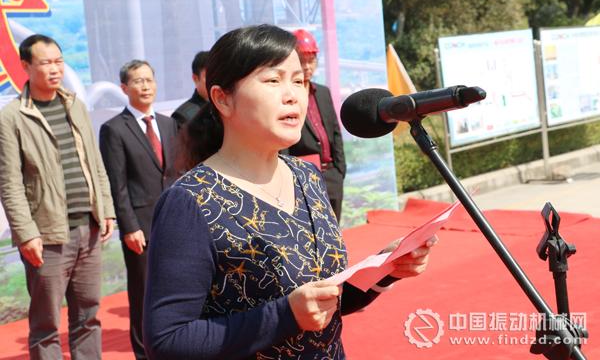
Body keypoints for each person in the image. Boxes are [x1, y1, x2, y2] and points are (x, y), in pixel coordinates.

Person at [143, 24, 436, 359]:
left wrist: (384, 268)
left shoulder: (306, 177)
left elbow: (324, 300)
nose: (293, 94)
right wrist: (285, 315)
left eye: (298, 81)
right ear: (223, 99)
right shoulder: (191, 201)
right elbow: (167, 341)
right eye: (273, 80)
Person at [0, 34, 115, 359]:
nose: (55, 69)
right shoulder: (12, 117)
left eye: (59, 62)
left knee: (88, 316)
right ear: (25, 67)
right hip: (46, 236)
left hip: (88, 229)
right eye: (46, 63)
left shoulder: (74, 105)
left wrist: (106, 208)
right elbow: (9, 182)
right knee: (46, 324)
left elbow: (94, 162)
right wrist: (26, 234)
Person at [99, 60, 178, 360]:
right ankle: (144, 354)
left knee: (177, 288)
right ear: (124, 88)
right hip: (140, 228)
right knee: (144, 295)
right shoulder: (114, 129)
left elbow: (176, 173)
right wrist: (129, 226)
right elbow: (117, 184)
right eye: (137, 81)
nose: (145, 86)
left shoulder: (168, 124)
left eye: (149, 80)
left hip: (173, 222)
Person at [284, 29, 346, 221]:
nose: (307, 66)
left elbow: (335, 132)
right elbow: (284, 142)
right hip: (304, 176)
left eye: (311, 61)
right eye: (302, 61)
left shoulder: (323, 92)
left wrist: (340, 169)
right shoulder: (287, 96)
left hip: (332, 173)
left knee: (334, 228)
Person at [171, 50, 209, 128]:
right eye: (208, 76)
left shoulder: (227, 107)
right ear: (195, 78)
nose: (214, 79)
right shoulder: (182, 116)